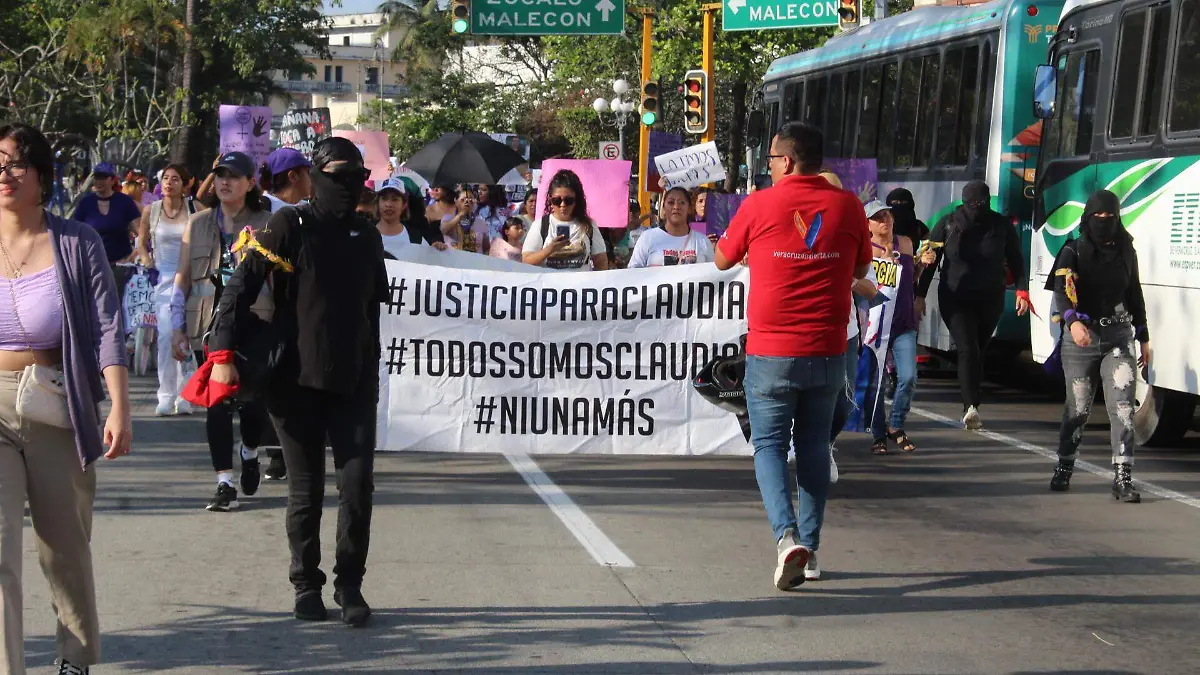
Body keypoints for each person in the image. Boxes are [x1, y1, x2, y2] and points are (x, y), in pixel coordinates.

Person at [207, 137, 386, 627]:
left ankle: (351, 584)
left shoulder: (367, 235)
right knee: (305, 489)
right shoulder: (289, 223)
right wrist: (222, 354)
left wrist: (373, 370)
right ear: (316, 175)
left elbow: (372, 310)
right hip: (294, 380)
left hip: (352, 380)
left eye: (358, 178)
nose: (350, 188)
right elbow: (239, 288)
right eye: (339, 177)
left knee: (356, 488)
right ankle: (307, 584)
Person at [714, 122, 870, 591]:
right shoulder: (848, 207)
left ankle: (786, 539)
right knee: (815, 447)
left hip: (772, 351)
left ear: (785, 161)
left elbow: (722, 259)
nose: (770, 170)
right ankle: (813, 548)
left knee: (769, 447)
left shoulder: (760, 203)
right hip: (826, 351)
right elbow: (861, 267)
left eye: (771, 162)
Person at [0, 123, 131, 675]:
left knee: (64, 545)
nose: (2, 174)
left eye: (12, 164)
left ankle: (73, 657)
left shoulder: (77, 242)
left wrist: (121, 406)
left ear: (40, 175)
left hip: (56, 398)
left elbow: (106, 325)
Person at [170, 151, 272, 512]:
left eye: (234, 176)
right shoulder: (197, 223)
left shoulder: (268, 222)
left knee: (253, 402)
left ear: (249, 183)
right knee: (217, 403)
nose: (225, 182)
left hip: (255, 324)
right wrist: (176, 325)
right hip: (207, 325)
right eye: (219, 175)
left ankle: (250, 450)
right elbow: (182, 276)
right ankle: (224, 483)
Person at [1047, 190, 1150, 502]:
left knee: (1123, 410)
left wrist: (1144, 337)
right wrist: (1072, 321)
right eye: (1098, 218)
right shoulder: (1072, 250)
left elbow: (1134, 291)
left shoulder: (1126, 250)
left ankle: (1123, 477)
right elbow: (1061, 291)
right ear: (1087, 219)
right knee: (1077, 409)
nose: (1104, 224)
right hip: (1081, 339)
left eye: (1110, 218)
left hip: (1118, 337)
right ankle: (1065, 466)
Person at [916, 181, 1029, 430]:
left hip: (991, 297)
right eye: (972, 204)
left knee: (979, 348)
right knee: (967, 347)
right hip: (955, 296)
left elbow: (1016, 259)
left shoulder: (1001, 226)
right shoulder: (947, 224)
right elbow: (931, 262)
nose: (977, 209)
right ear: (964, 203)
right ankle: (970, 407)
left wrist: (1022, 290)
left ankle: (971, 400)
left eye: (982, 204)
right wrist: (920, 295)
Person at [864, 200, 935, 454]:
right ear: (868, 225)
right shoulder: (866, 250)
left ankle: (896, 425)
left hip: (904, 321)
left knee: (908, 376)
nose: (885, 220)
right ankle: (878, 433)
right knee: (876, 382)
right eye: (878, 217)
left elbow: (909, 279)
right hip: (878, 325)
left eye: (887, 215)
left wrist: (921, 265)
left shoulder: (904, 243)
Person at [134, 163, 197, 417]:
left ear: (185, 185)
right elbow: (141, 242)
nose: (169, 183)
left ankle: (186, 394)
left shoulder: (195, 209)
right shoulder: (153, 210)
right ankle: (166, 394)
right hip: (163, 278)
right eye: (166, 179)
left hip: (190, 277)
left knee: (186, 336)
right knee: (165, 335)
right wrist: (148, 263)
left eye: (175, 179)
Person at [72, 161, 142, 290]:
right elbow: (74, 234)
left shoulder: (124, 202)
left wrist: (135, 254)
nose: (99, 181)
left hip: (119, 267)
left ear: (112, 179)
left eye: (103, 177)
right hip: (91, 267)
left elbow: (141, 232)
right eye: (97, 177)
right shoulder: (85, 203)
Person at [522, 169, 610, 271]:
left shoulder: (588, 225)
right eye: (557, 200)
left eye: (568, 200)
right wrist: (549, 250)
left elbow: (601, 260)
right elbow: (526, 260)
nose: (562, 205)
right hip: (550, 286)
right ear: (550, 200)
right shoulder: (541, 225)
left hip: (580, 286)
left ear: (577, 200)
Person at [627, 187, 714, 268]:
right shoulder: (647, 238)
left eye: (682, 203)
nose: (676, 207)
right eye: (671, 202)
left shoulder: (703, 241)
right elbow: (633, 273)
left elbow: (713, 275)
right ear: (663, 208)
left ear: (690, 208)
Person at [376, 178, 447, 258]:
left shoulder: (416, 238)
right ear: (378, 202)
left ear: (404, 204)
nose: (388, 204)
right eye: (384, 199)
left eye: (394, 199)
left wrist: (436, 249)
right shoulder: (365, 232)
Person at [260, 148, 312, 213]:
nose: (311, 177)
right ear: (292, 176)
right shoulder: (262, 209)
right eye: (308, 172)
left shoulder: (308, 208)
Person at [441, 188, 489, 253]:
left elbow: (486, 247)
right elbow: (444, 230)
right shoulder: (448, 218)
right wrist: (461, 214)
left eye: (470, 199)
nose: (467, 202)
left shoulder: (480, 222)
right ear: (456, 201)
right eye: (463, 200)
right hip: (453, 259)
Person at [886, 187, 929, 254]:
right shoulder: (884, 226)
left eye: (903, 202)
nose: (899, 205)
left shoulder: (920, 227)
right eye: (895, 202)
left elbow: (928, 249)